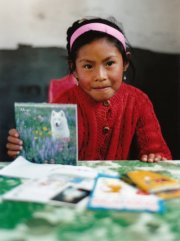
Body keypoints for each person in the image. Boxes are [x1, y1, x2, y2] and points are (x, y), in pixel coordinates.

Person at [6, 17, 172, 162]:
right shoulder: (63, 104)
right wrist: (25, 148)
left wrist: (154, 156)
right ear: (74, 69)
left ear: (125, 63)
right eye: (87, 66)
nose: (100, 75)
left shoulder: (139, 102)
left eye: (109, 63)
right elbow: (47, 156)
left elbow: (157, 152)